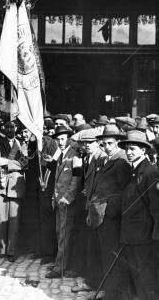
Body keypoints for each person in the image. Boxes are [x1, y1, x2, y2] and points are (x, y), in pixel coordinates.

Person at [84, 125, 132, 300]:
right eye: (103, 144)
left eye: (110, 143)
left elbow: (125, 191)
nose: (105, 147)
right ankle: (99, 287)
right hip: (98, 213)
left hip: (109, 216)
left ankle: (111, 293)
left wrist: (109, 209)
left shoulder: (122, 161)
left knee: (110, 255)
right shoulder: (106, 159)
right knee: (98, 251)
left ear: (118, 142)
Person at [118, 130, 159, 300]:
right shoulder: (134, 169)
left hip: (143, 236)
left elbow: (155, 208)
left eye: (133, 149)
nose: (129, 152)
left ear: (143, 150)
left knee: (146, 278)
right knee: (136, 275)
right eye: (127, 149)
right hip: (131, 235)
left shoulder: (149, 172)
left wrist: (154, 236)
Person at [72, 128, 107, 296]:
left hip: (97, 209)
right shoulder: (90, 157)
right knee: (90, 246)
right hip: (90, 206)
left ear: (97, 142)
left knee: (97, 248)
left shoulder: (102, 158)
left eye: (90, 142)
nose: (86, 146)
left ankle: (97, 283)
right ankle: (91, 281)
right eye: (84, 143)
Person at [46, 125, 82, 278]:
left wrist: (67, 197)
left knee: (64, 235)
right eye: (58, 139)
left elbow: (76, 179)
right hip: (59, 201)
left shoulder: (75, 155)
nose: (60, 142)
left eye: (63, 139)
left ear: (69, 139)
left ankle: (60, 268)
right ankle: (58, 263)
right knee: (59, 233)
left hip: (67, 202)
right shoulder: (61, 154)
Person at [21, 127, 59, 264]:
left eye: (26, 131)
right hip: (34, 187)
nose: (23, 134)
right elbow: (28, 164)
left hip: (47, 186)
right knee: (36, 218)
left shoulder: (49, 142)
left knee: (46, 219)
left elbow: (54, 165)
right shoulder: (30, 144)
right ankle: (39, 249)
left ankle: (49, 253)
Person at [0, 120, 28, 262]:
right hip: (0, 185)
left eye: (12, 126)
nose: (9, 129)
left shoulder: (22, 144)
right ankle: (1, 250)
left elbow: (25, 163)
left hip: (15, 185)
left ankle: (11, 251)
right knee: (0, 219)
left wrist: (8, 162)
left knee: (14, 220)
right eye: (6, 127)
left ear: (16, 128)